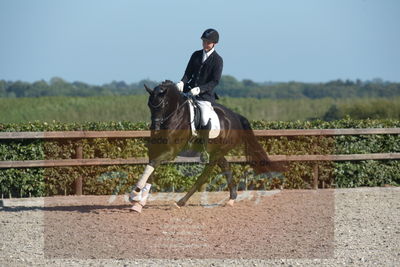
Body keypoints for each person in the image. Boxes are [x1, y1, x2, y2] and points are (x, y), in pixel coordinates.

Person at [176, 28, 223, 163]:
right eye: (204, 41)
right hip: (189, 91)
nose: (205, 44)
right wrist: (181, 82)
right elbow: (187, 73)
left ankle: (204, 149)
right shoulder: (196, 55)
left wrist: (200, 89)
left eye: (208, 42)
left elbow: (215, 81)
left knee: (203, 117)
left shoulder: (217, 60)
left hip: (205, 96)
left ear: (214, 43)